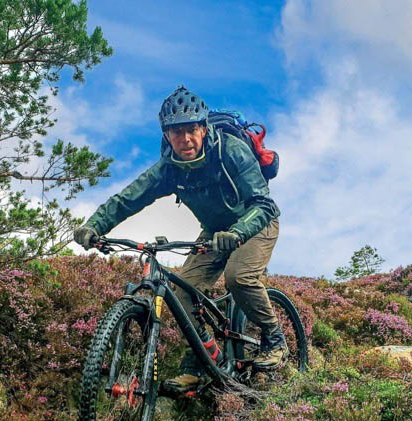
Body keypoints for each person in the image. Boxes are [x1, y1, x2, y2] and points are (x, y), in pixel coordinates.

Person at [74, 85, 286, 396]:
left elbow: (266, 205)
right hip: (214, 232)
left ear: (203, 128)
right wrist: (94, 225)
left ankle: (274, 339)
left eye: (190, 130)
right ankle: (198, 365)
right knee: (184, 293)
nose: (184, 139)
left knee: (239, 277)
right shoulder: (169, 169)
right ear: (166, 135)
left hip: (255, 223)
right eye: (176, 133)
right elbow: (127, 199)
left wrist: (239, 233)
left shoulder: (231, 151)